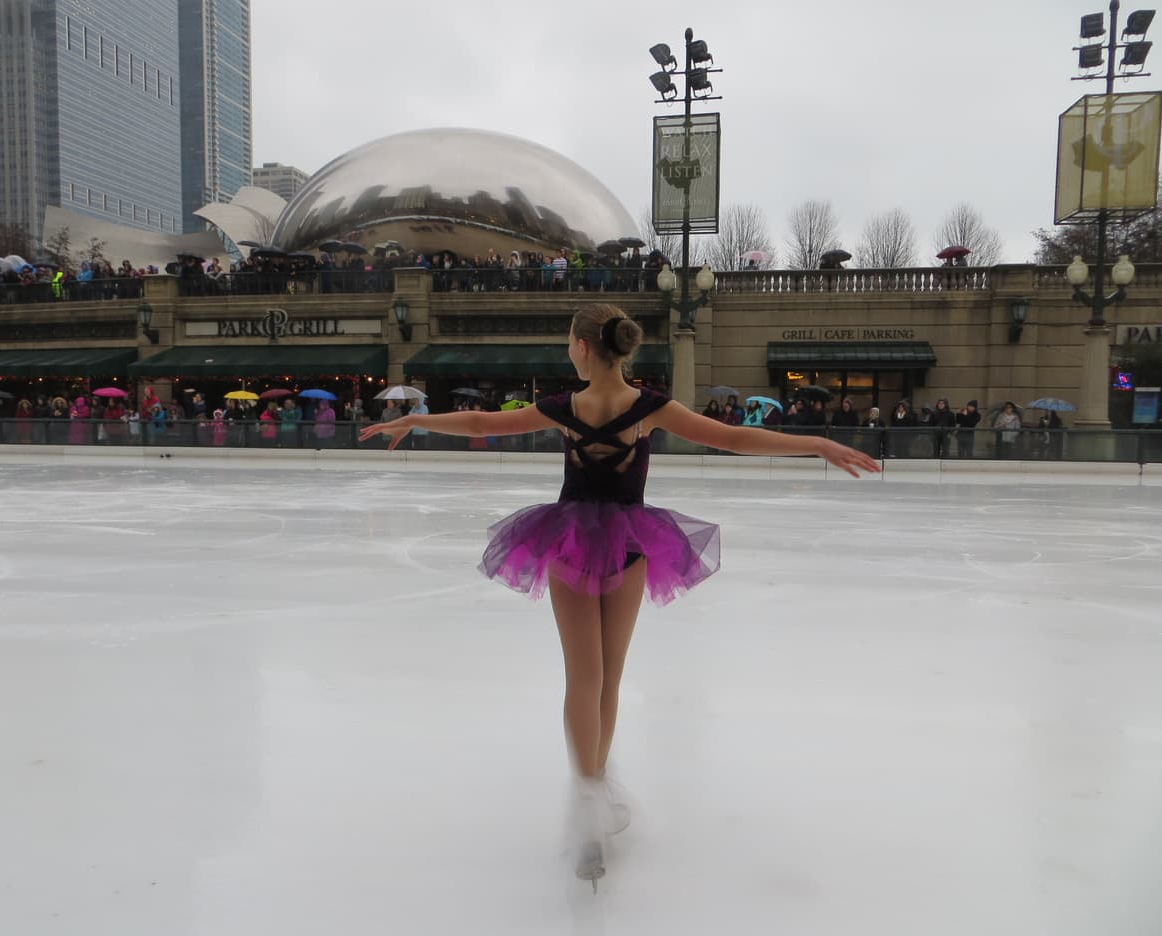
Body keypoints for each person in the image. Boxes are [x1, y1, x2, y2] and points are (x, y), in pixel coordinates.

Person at [359, 303, 878, 892]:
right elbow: (732, 438)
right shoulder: (649, 406)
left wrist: (416, 422)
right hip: (631, 546)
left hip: (568, 545)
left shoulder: (564, 407)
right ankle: (596, 792)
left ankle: (586, 802)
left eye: (565, 342)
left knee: (582, 677)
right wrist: (814, 444)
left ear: (582, 347)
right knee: (608, 679)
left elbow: (480, 424)